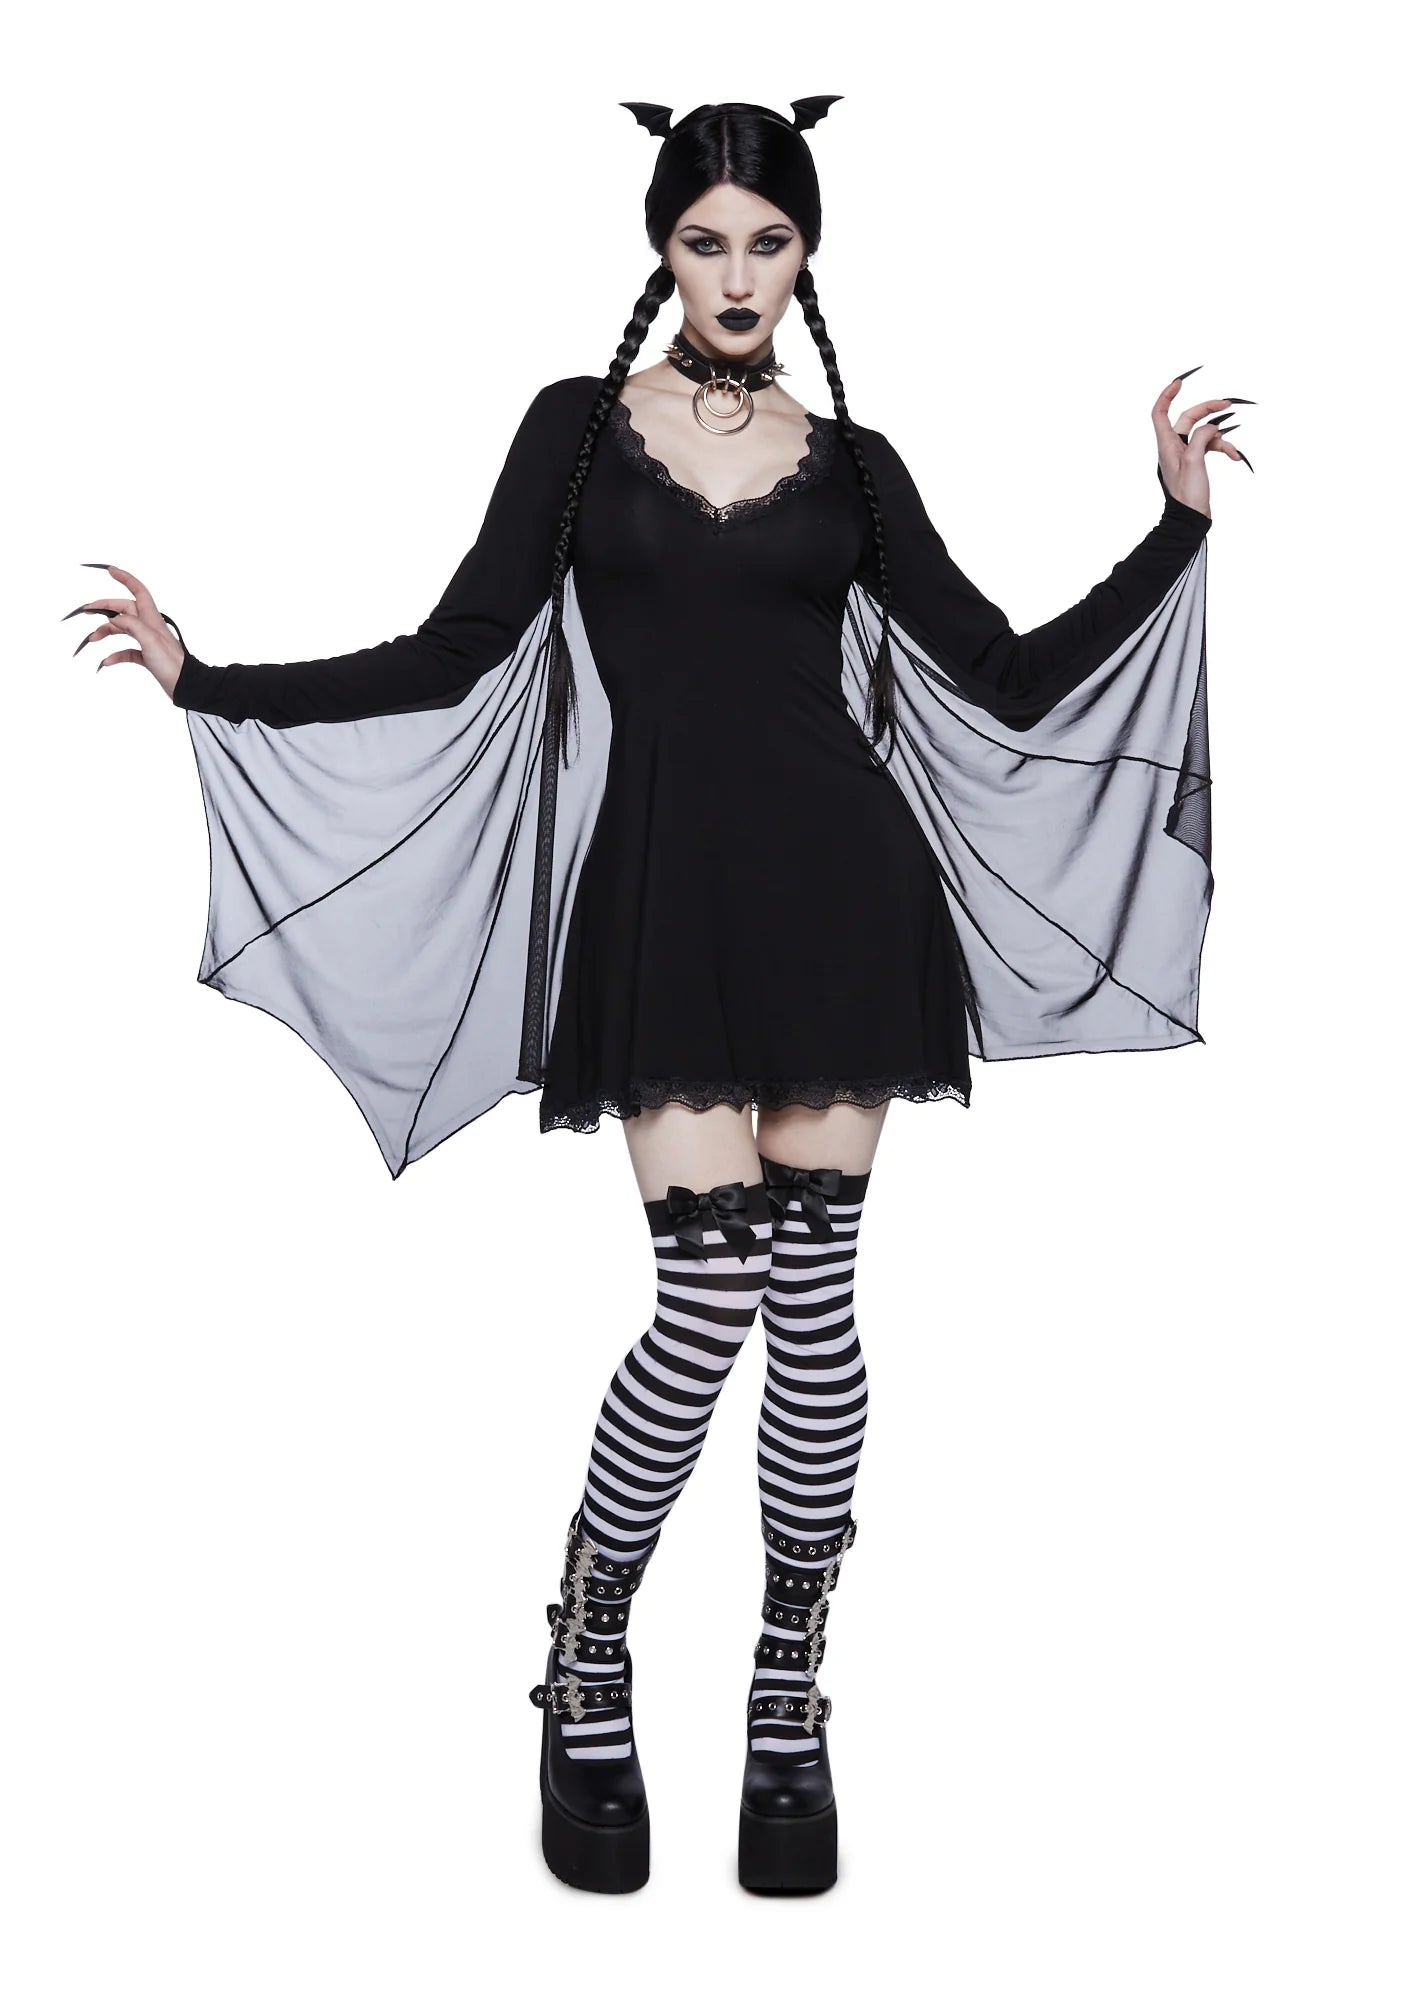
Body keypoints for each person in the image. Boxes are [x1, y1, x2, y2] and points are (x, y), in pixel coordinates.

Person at [66, 95, 1249, 1896]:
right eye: (706, 242)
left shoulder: (855, 466)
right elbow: (459, 645)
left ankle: (787, 1689)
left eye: (767, 243)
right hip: (663, 901)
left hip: (843, 894)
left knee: (814, 1303)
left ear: (806, 253)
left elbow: (1005, 678)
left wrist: (1170, 528)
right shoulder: (574, 428)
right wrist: (213, 681)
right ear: (662, 250)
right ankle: (589, 1655)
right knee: (705, 1298)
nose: (737, 276)